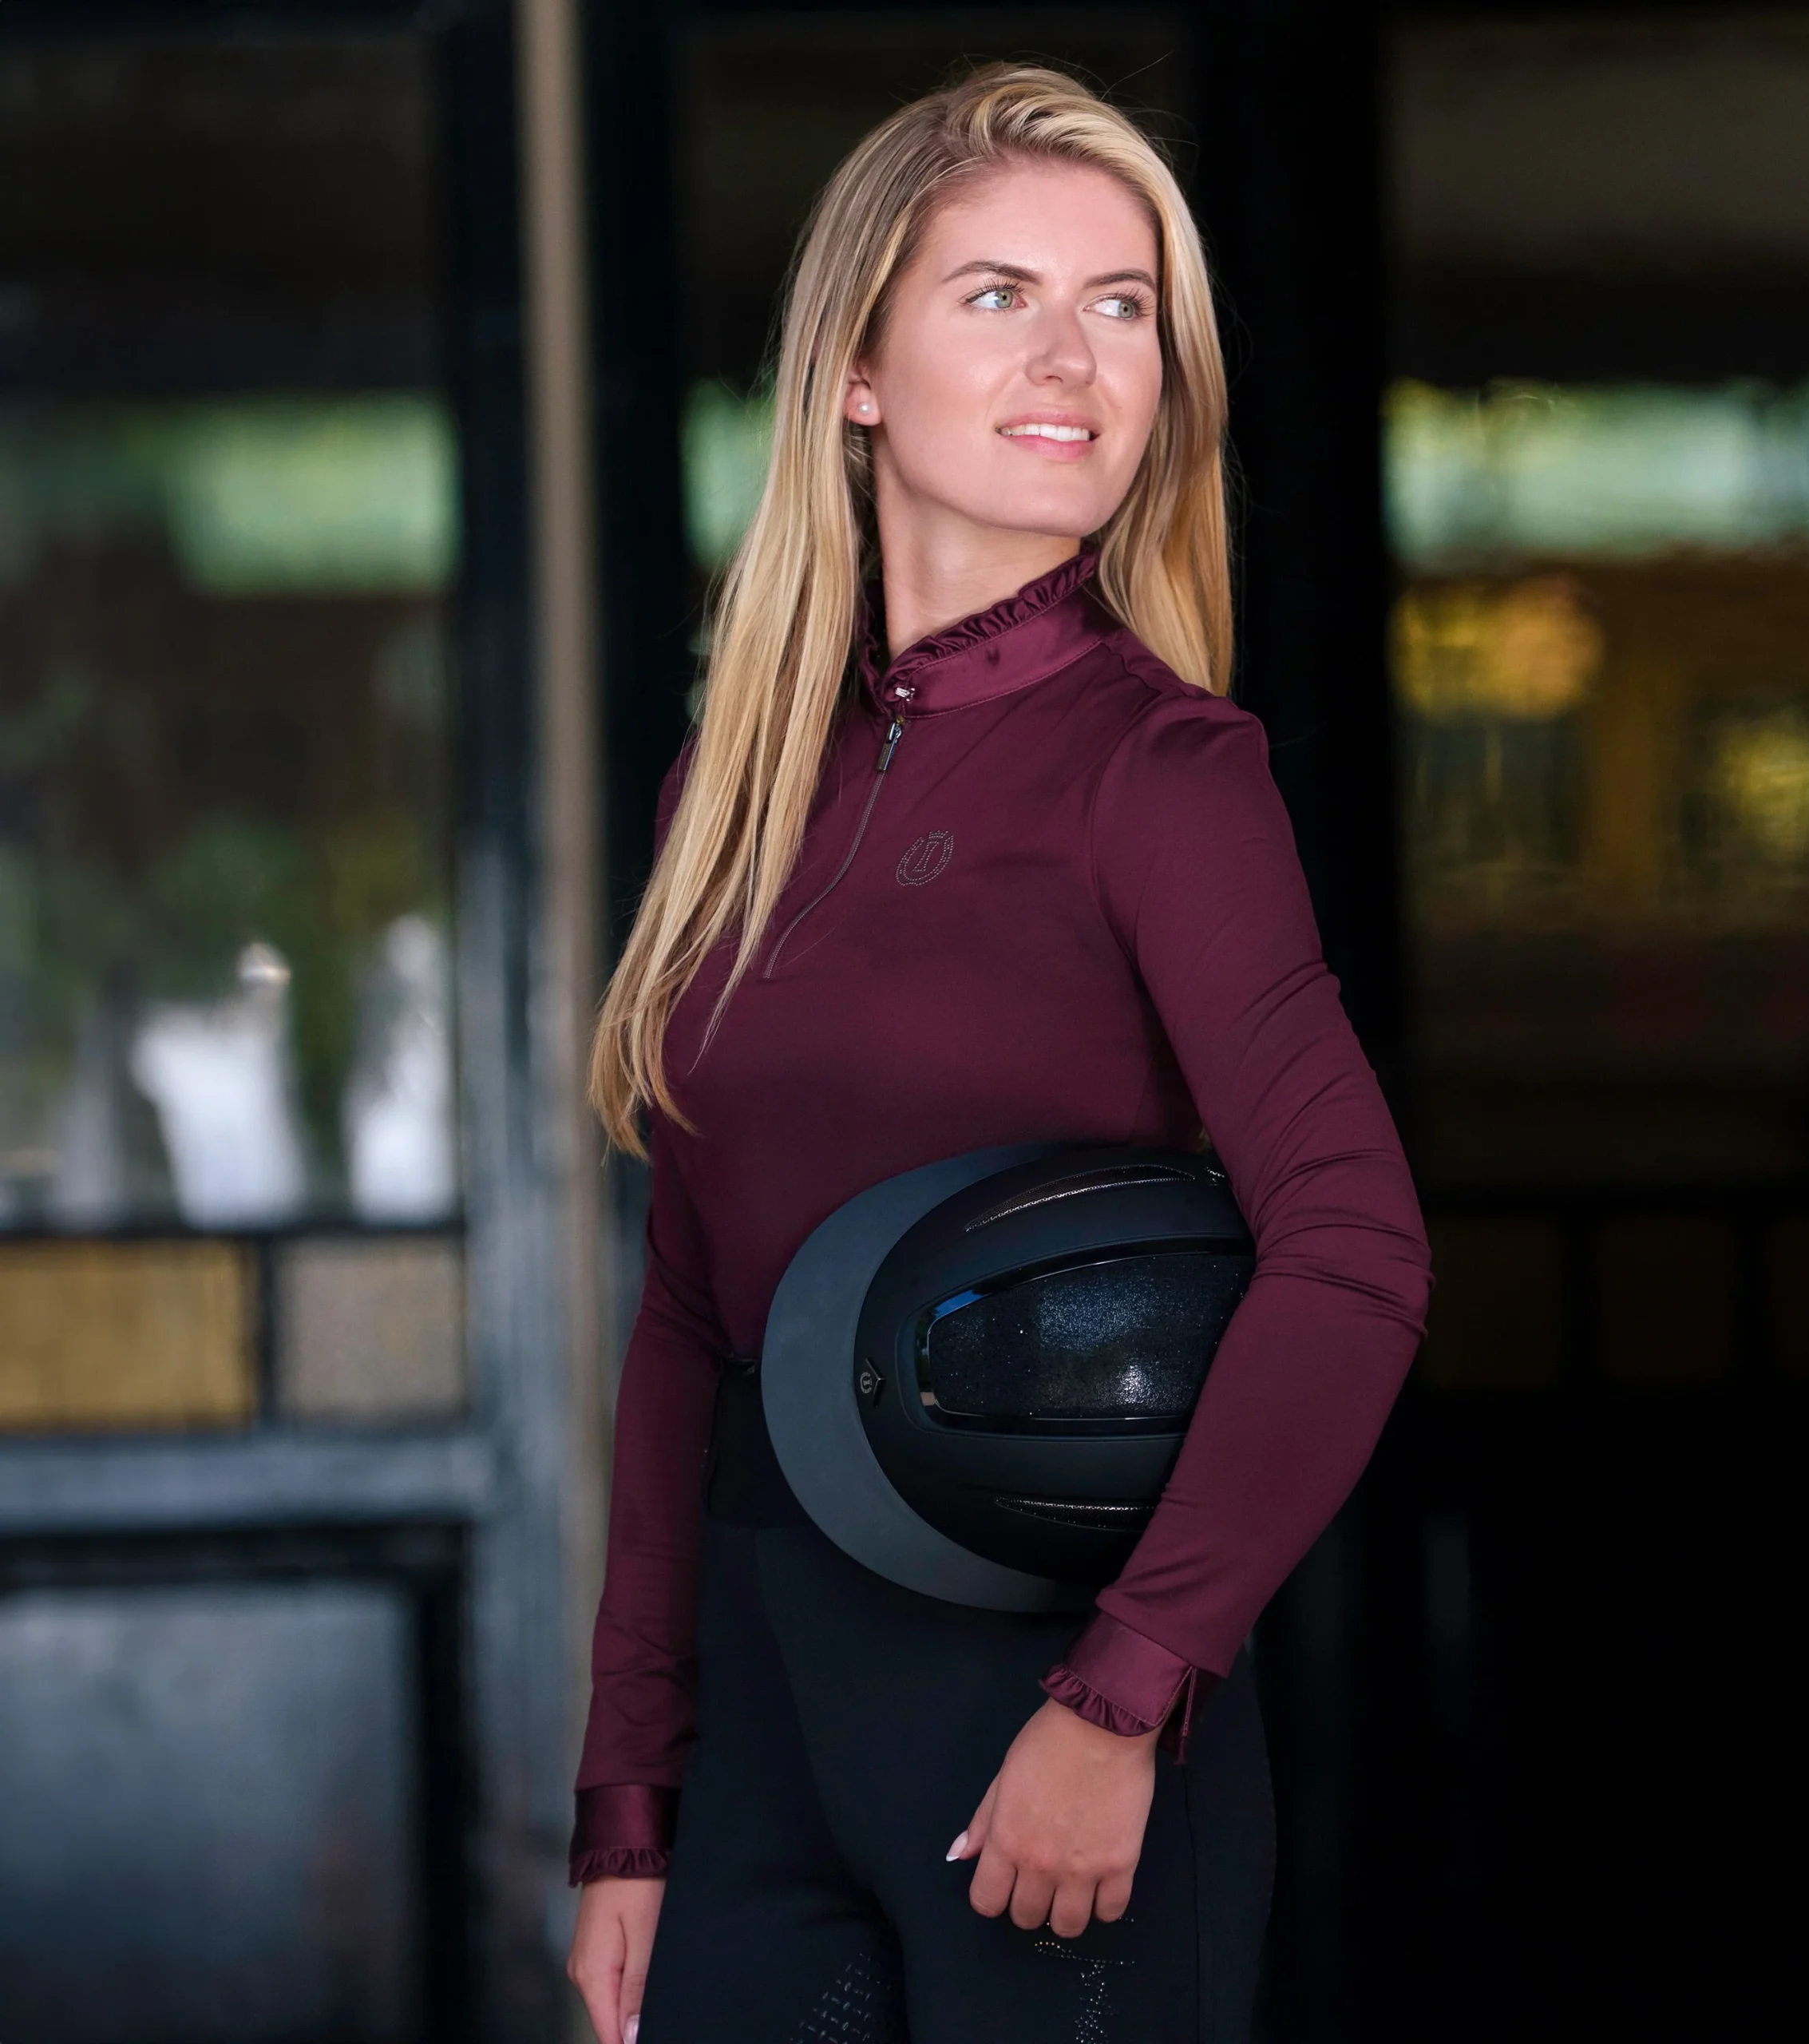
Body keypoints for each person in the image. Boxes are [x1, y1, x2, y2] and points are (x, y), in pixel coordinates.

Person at [565, 63, 1431, 2044]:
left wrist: (1122, 1696)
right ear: (855, 371)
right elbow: (687, 1320)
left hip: (1052, 1731)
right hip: (764, 1754)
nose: (1074, 358)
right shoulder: (736, 784)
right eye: (998, 296)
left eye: (1121, 305)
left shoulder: (1162, 769)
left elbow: (1356, 1250)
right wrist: (630, 1802)